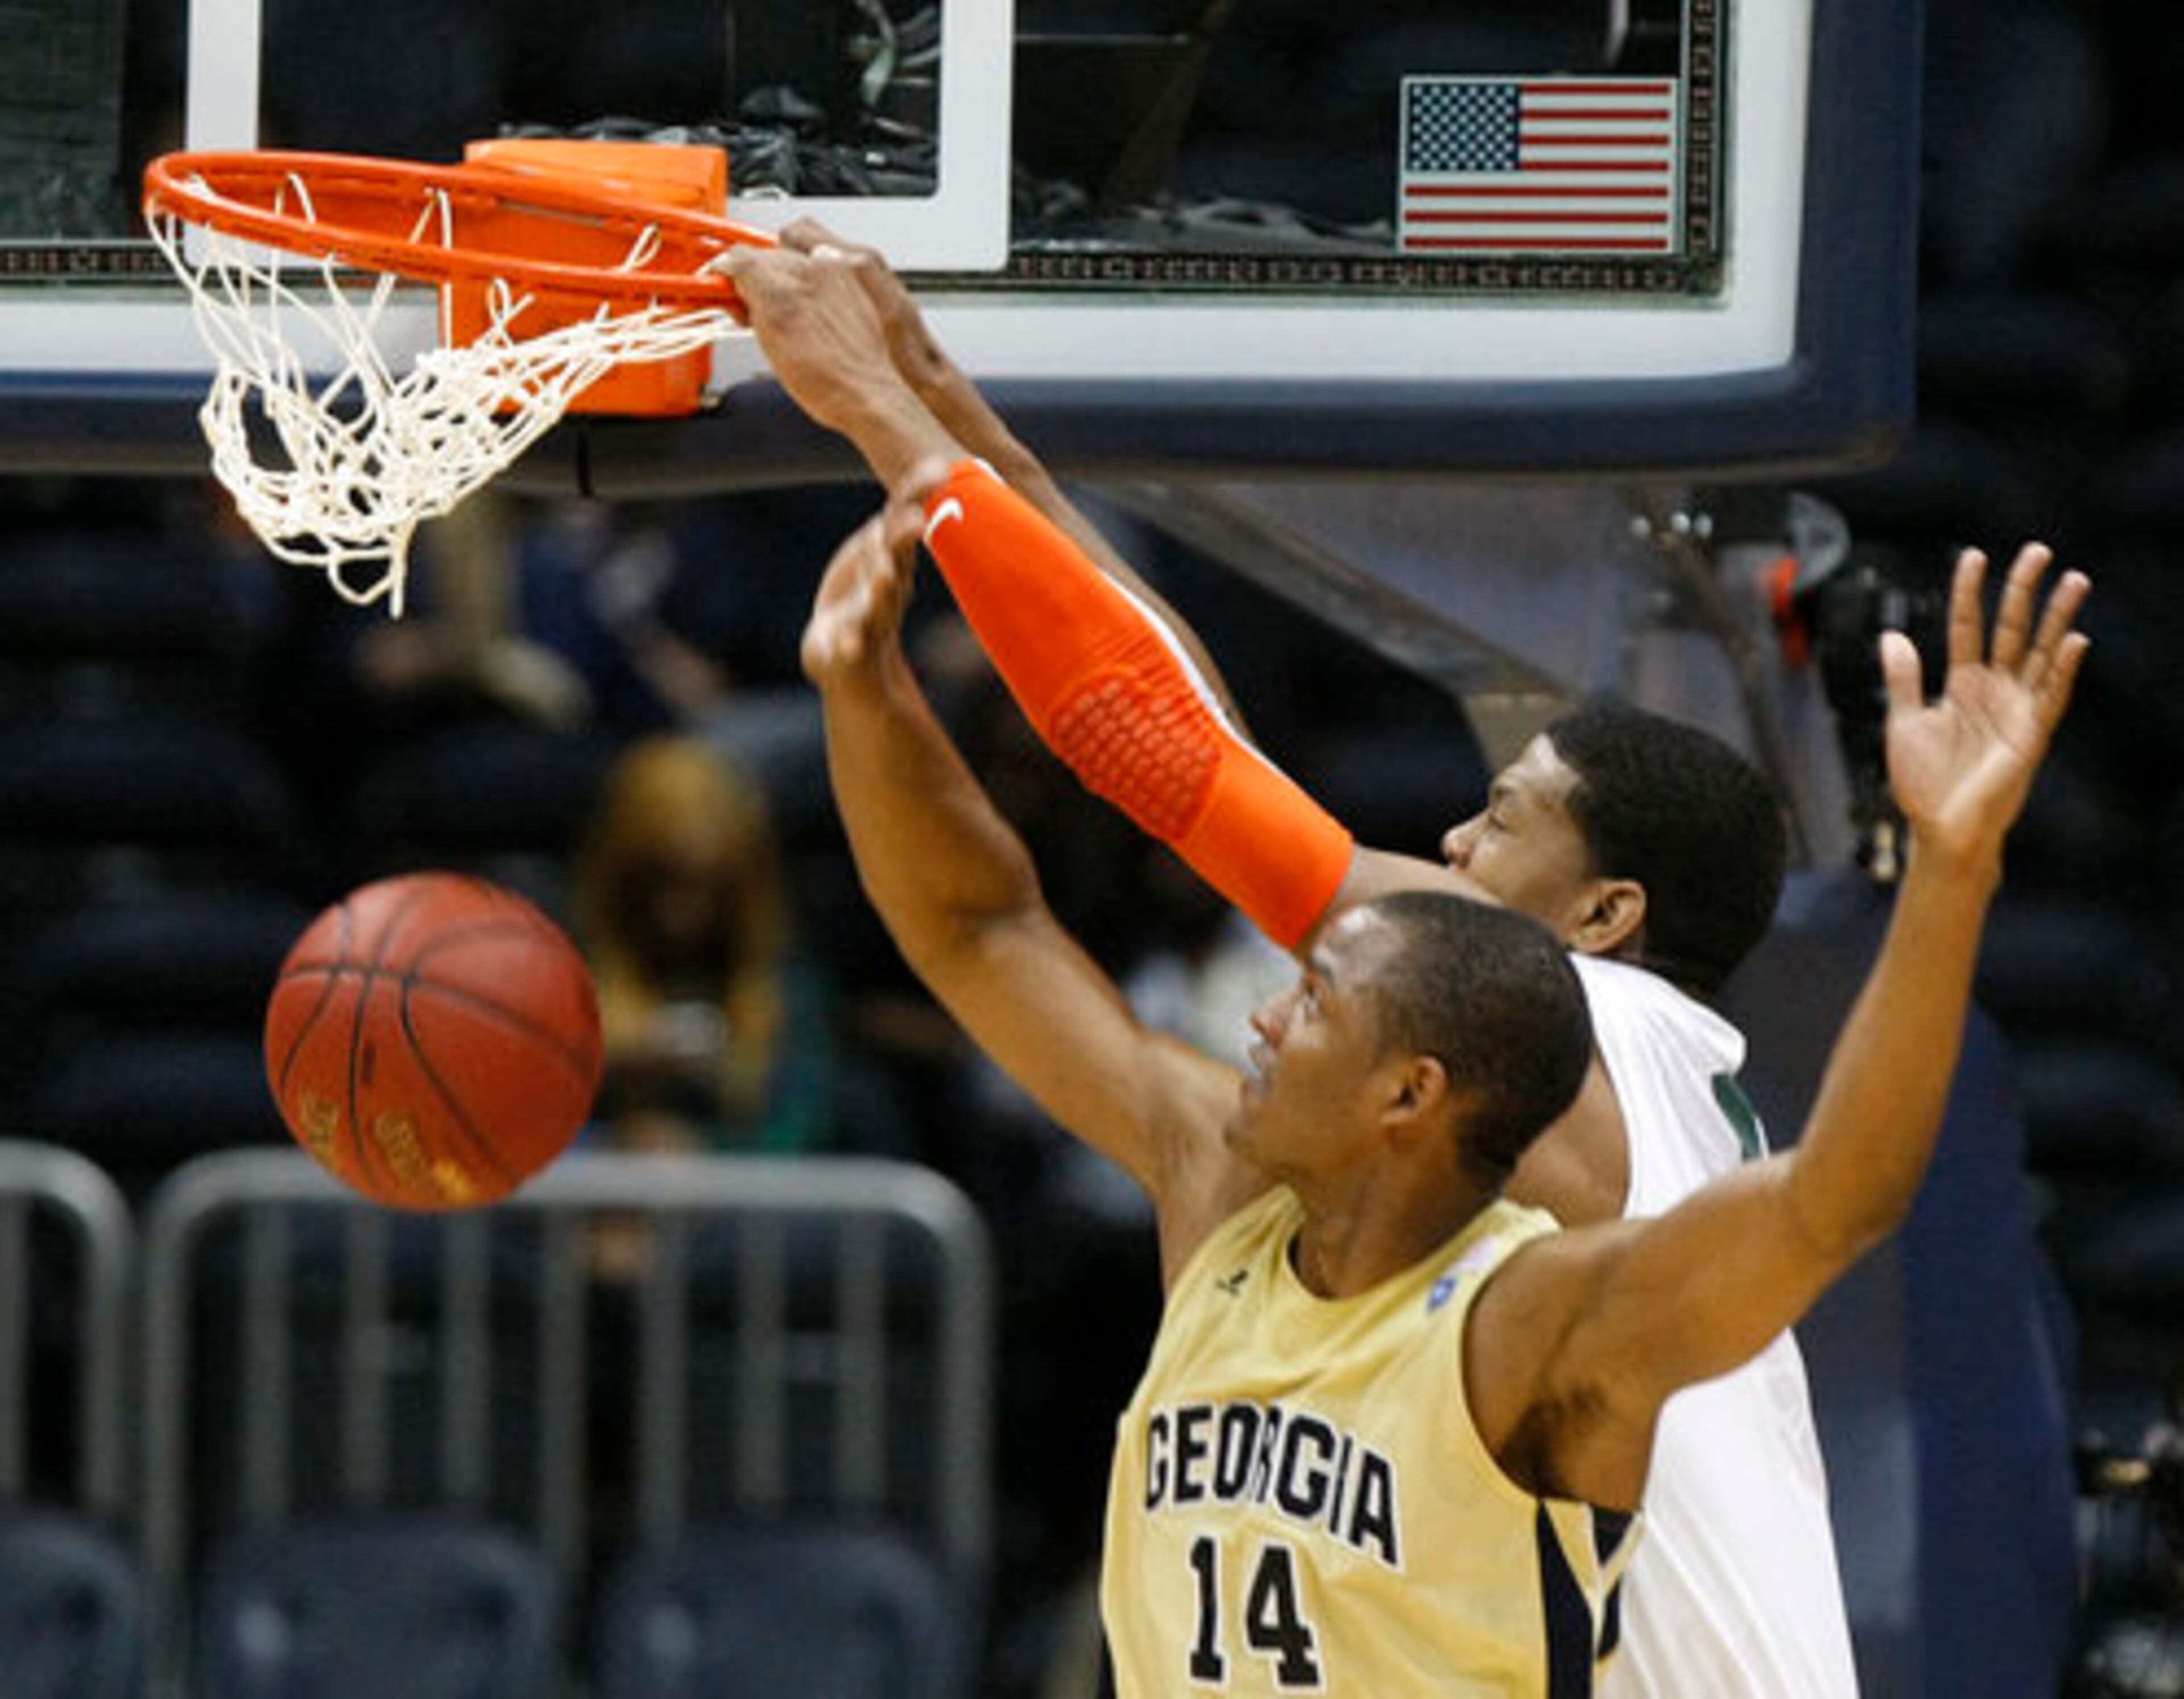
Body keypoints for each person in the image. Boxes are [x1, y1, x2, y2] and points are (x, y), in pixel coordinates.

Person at [718, 234, 1851, 1693]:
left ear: (1604, 916)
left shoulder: (1599, 1025)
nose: (1447, 843)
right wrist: (947, 404)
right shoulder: (1605, 1098)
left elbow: (1178, 763)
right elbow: (1197, 740)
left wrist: (881, 415)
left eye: (1501, 822)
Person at [793, 465, 2085, 1692]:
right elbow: (985, 935)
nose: (1259, 1021)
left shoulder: (1533, 1298)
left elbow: (1835, 1202)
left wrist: (1951, 871)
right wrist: (865, 695)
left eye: (1310, 1002)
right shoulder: (1226, 1194)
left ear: (1411, 1090)